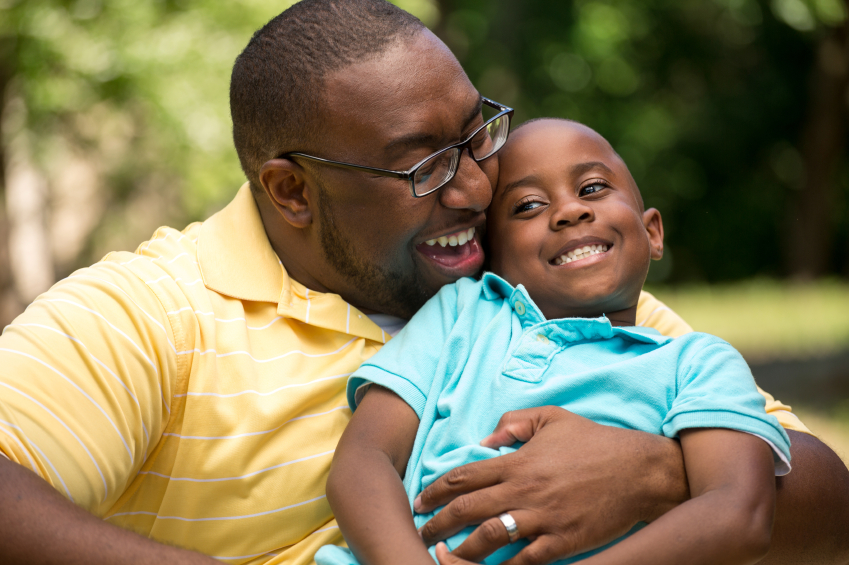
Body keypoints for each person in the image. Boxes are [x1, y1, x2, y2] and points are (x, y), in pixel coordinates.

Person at [0, 2, 846, 565]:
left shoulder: (538, 289)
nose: (476, 187)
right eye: (423, 165)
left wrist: (657, 473)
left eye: (476, 135)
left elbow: (823, 508)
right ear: (292, 190)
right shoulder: (156, 312)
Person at [315, 117, 792, 565]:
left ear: (652, 233)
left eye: (592, 188)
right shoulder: (462, 313)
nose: (569, 211)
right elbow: (363, 460)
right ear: (493, 259)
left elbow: (740, 513)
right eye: (527, 207)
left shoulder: (698, 363)